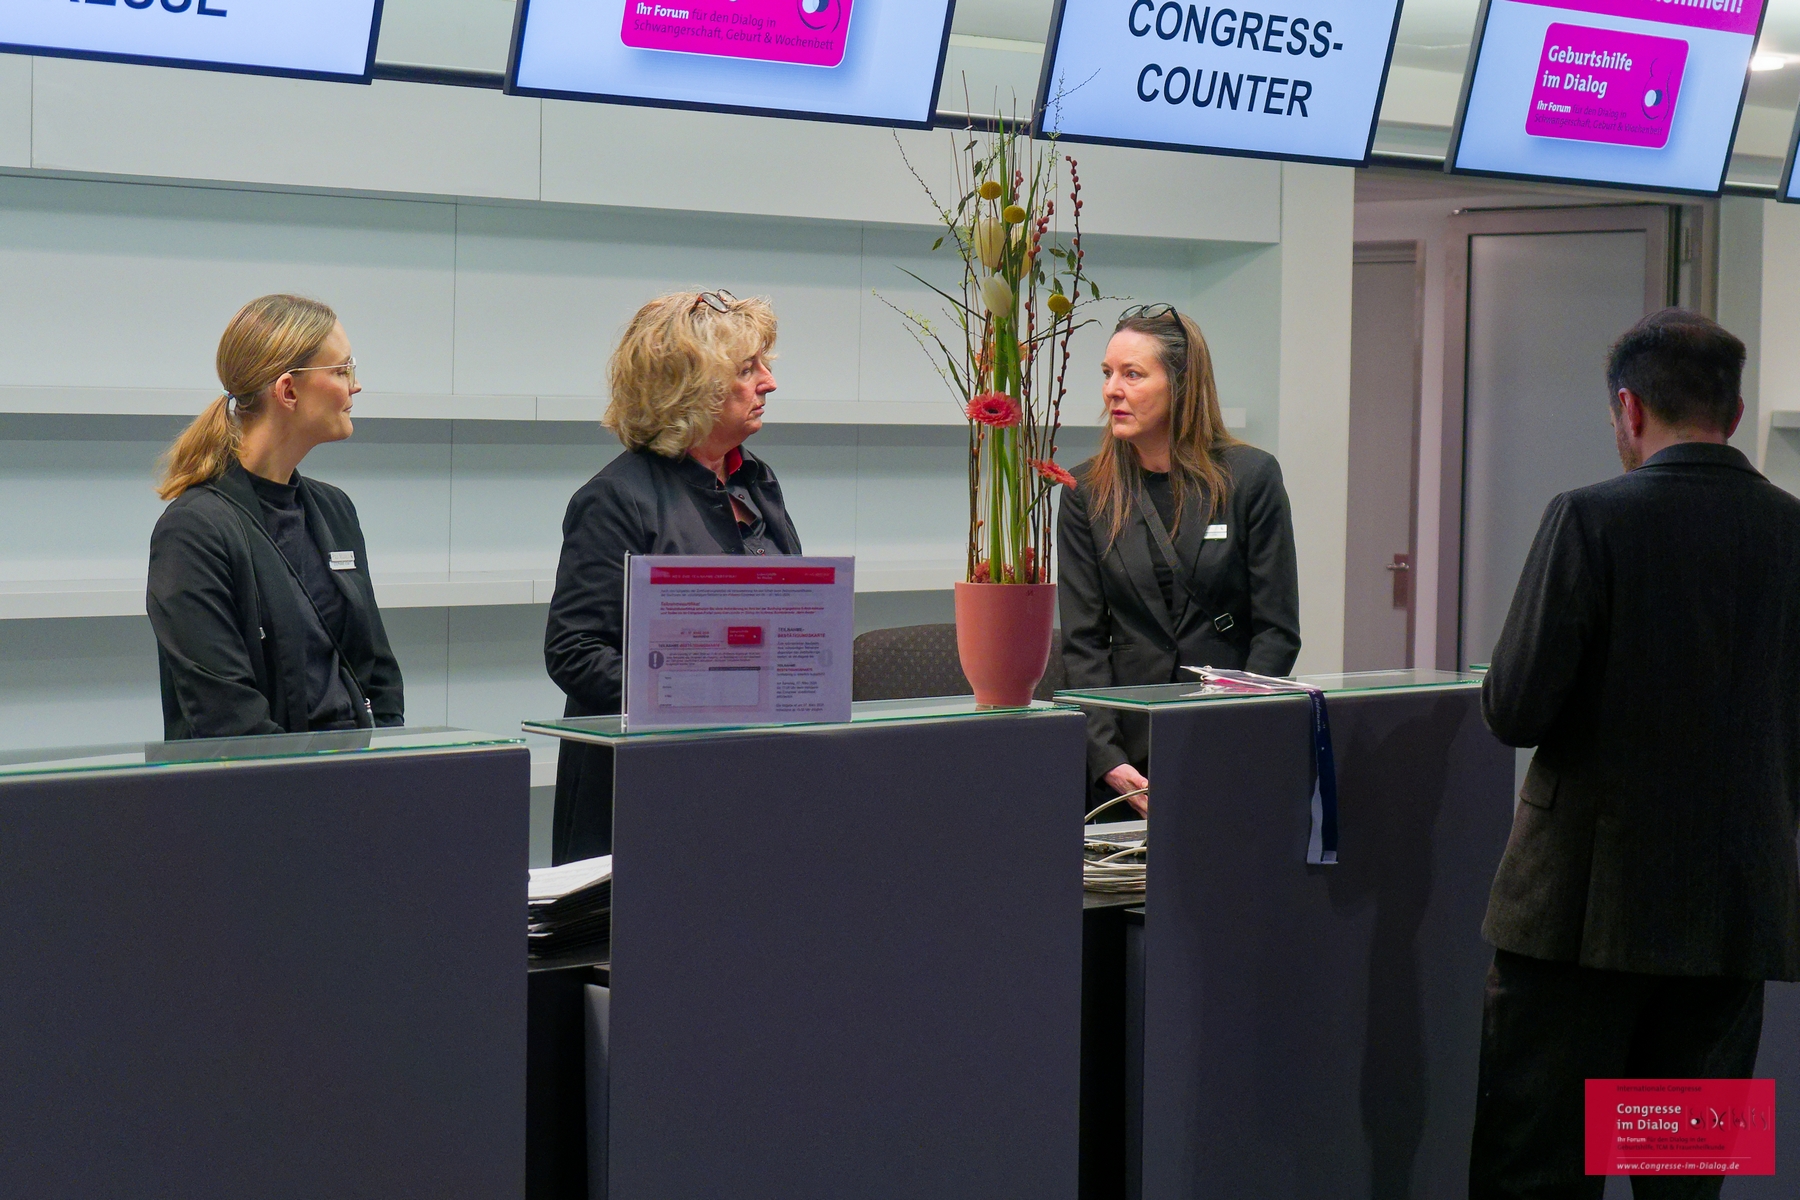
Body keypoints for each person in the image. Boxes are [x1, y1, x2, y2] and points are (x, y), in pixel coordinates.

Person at [1469, 309, 1800, 1200]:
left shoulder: (1589, 517)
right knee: (1680, 1181)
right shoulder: (1792, 530)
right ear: (1734, 414)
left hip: (1579, 919)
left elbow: (1515, 708)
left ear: (1629, 408)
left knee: (1538, 1172)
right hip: (1730, 922)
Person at [544, 290, 801, 862]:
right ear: (691, 386)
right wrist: (700, 692)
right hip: (648, 793)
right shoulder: (616, 498)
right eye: (747, 369)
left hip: (749, 781)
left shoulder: (755, 480)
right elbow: (574, 652)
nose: (769, 382)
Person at [1057, 303, 1300, 818]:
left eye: (1132, 374)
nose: (1112, 390)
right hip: (1125, 759)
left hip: (1228, 743)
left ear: (1182, 384)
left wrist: (1228, 730)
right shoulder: (1087, 491)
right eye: (1107, 373)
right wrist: (1107, 758)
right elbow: (1083, 643)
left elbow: (1277, 633)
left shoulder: (1250, 478)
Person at [147, 294, 403, 739]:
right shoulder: (193, 532)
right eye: (342, 370)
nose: (356, 385)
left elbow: (378, 674)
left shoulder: (335, 510)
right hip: (262, 779)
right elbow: (227, 716)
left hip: (357, 772)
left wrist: (381, 757)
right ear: (288, 391)